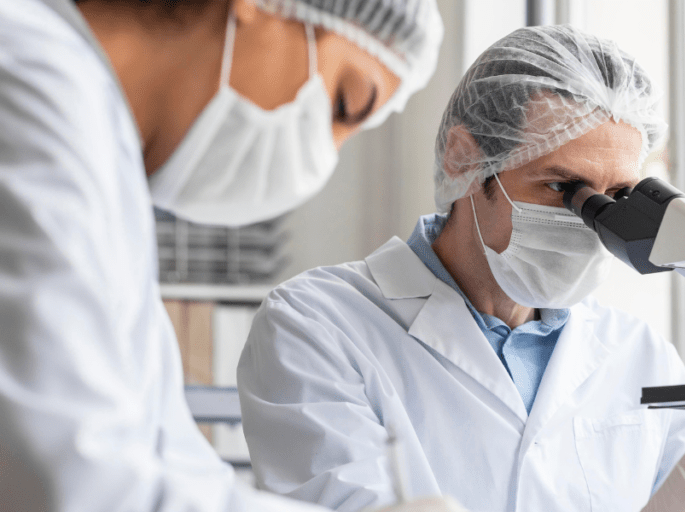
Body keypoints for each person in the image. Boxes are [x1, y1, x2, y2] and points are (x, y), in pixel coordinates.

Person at [237, 24, 685, 512]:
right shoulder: (317, 325)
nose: (589, 219)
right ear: (465, 159)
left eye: (615, 197)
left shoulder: (639, 355)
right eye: (561, 187)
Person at [0, 0, 466, 510]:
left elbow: (171, 462)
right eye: (344, 103)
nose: (321, 160)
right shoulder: (30, 82)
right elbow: (74, 484)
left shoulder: (101, 150)